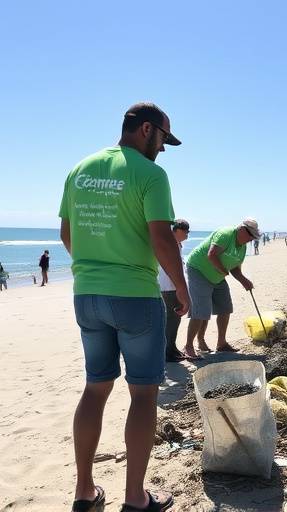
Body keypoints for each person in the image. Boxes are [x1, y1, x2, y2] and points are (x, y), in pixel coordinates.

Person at [59, 102, 189, 512]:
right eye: (164, 139)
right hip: (135, 295)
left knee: (95, 388)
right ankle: (135, 498)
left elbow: (67, 234)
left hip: (87, 295)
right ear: (146, 129)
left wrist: (95, 268)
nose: (164, 149)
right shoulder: (151, 174)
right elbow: (162, 239)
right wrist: (183, 289)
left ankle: (84, 491)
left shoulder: (80, 169)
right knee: (144, 394)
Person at [184, 218, 260, 359]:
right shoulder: (226, 234)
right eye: (251, 236)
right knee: (201, 310)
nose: (251, 240)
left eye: (253, 237)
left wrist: (244, 281)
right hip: (198, 269)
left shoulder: (242, 248)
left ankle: (221, 343)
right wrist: (224, 271)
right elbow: (212, 255)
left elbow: (236, 270)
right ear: (242, 229)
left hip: (217, 276)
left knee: (225, 307)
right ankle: (189, 346)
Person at [157, 219, 190, 362]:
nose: (187, 234)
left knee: (174, 320)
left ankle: (171, 348)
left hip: (174, 287)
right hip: (168, 288)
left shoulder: (177, 244)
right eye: (185, 231)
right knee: (171, 320)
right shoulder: (169, 244)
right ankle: (167, 352)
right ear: (176, 230)